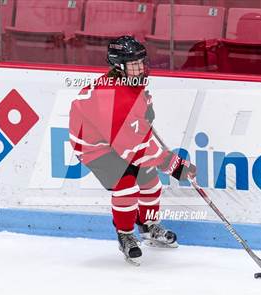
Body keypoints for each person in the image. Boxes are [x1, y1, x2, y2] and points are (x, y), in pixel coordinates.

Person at [68, 36, 196, 265]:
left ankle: (148, 227)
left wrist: (144, 111)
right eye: (133, 64)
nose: (140, 68)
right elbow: (133, 149)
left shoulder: (130, 81)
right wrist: (174, 165)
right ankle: (125, 235)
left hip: (118, 138)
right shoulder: (112, 98)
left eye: (140, 62)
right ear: (119, 66)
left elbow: (134, 132)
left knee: (150, 181)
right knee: (126, 183)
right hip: (94, 147)